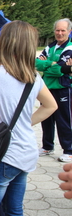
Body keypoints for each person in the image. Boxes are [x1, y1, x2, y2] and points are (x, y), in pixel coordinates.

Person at [0, 20, 57, 215]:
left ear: (4, 43)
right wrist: (24, 123)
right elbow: (51, 106)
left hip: (2, 154)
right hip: (26, 152)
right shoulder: (33, 76)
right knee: (14, 210)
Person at [36, 18, 72, 162]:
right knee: (46, 118)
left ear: (69, 32)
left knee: (64, 119)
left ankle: (69, 150)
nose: (60, 33)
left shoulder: (70, 48)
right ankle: (47, 146)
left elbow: (59, 71)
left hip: (63, 88)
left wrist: (48, 65)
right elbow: (36, 64)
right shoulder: (50, 47)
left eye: (63, 30)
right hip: (47, 88)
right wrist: (55, 65)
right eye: (57, 30)